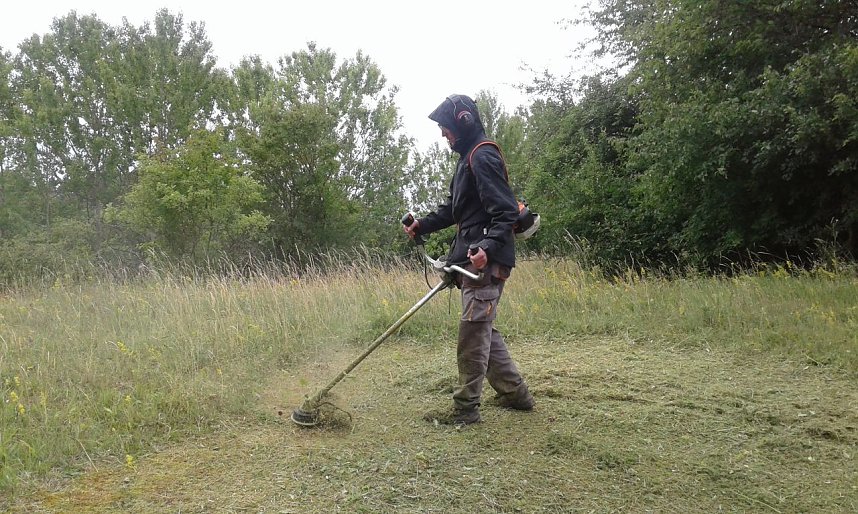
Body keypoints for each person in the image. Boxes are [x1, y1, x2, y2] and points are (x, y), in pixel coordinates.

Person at [403, 94, 534, 426]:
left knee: (473, 332)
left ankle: (465, 409)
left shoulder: (483, 156)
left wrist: (486, 248)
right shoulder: (467, 161)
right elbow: (454, 210)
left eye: (446, 128)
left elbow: (504, 212)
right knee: (482, 329)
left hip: (484, 263)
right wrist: (423, 225)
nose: (443, 134)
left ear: (463, 122)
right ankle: (515, 394)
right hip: (473, 260)